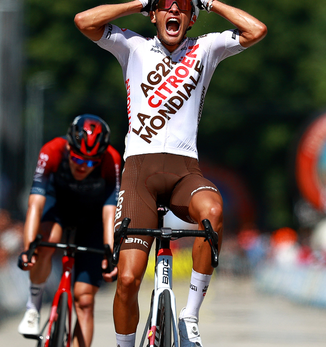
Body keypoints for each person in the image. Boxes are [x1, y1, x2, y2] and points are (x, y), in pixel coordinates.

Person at [74, 1, 266, 346]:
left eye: (183, 6)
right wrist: (140, 2)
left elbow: (257, 30)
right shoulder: (132, 46)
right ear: (154, 14)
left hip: (184, 172)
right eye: (164, 4)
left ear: (192, 18)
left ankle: (189, 316)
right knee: (129, 279)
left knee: (213, 212)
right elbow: (83, 21)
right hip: (139, 175)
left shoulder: (205, 48)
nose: (172, 9)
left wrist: (211, 3)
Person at [18, 114, 121, 347]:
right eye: (77, 159)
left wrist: (109, 252)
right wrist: (28, 247)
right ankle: (33, 306)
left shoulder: (111, 159)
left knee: (84, 300)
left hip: (92, 220)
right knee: (47, 240)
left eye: (91, 162)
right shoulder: (51, 150)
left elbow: (109, 211)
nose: (83, 166)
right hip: (58, 210)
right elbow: (35, 203)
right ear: (68, 146)